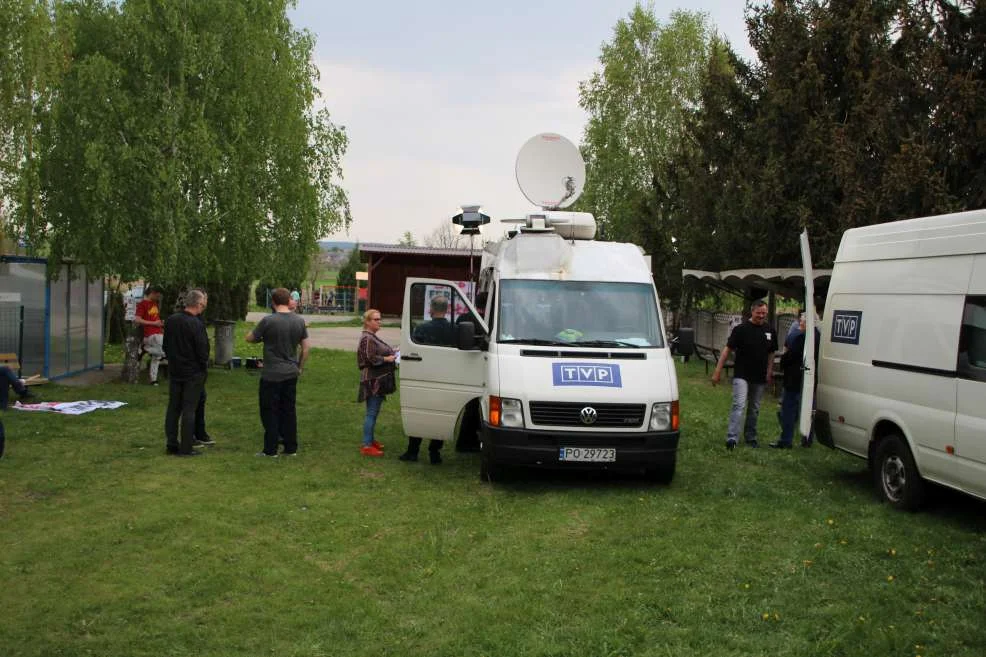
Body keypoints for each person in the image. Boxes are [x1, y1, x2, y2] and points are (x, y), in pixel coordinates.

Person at [245, 288, 310, 457]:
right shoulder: (299, 321)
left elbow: (250, 338)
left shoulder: (268, 321)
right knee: (288, 410)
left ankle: (270, 449)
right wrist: (300, 367)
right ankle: (290, 448)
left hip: (272, 374)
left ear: (273, 302)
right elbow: (306, 348)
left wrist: (259, 334)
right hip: (291, 372)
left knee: (269, 411)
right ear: (289, 300)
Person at [712, 299, 778, 449]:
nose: (761, 316)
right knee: (739, 405)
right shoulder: (741, 329)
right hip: (742, 374)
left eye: (764, 313)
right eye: (759, 313)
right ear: (752, 311)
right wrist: (717, 371)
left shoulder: (770, 331)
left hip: (760, 376)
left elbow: (771, 353)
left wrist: (769, 371)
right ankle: (732, 438)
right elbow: (727, 350)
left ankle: (751, 437)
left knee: (754, 408)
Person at [400, 295, 455, 463]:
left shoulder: (422, 329)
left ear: (431, 309)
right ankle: (435, 452)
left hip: (424, 375)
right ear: (447, 310)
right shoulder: (455, 329)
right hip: (447, 376)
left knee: (419, 412)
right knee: (442, 414)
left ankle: (413, 451)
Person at [163, 289, 210, 456]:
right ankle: (186, 447)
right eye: (203, 303)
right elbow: (202, 351)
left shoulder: (171, 320)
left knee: (173, 407)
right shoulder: (196, 324)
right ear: (198, 304)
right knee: (189, 408)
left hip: (175, 369)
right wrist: (203, 367)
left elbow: (166, 345)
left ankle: (171, 443)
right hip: (193, 372)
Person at [357, 308, 396, 458]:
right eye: (376, 319)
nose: (379, 322)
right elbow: (369, 358)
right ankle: (367, 445)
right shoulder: (367, 338)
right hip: (373, 380)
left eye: (380, 319)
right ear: (367, 322)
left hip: (378, 379)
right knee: (371, 413)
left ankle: (370, 440)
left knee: (374, 412)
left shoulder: (372, 336)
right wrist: (387, 359)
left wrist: (392, 353)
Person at [135, 285, 165, 385]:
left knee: (157, 357)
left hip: (158, 332)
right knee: (165, 351)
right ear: (152, 293)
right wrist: (154, 323)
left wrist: (160, 323)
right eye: (157, 295)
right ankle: (145, 349)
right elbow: (137, 319)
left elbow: (154, 318)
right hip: (150, 334)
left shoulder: (154, 304)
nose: (158, 298)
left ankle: (153, 380)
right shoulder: (142, 304)